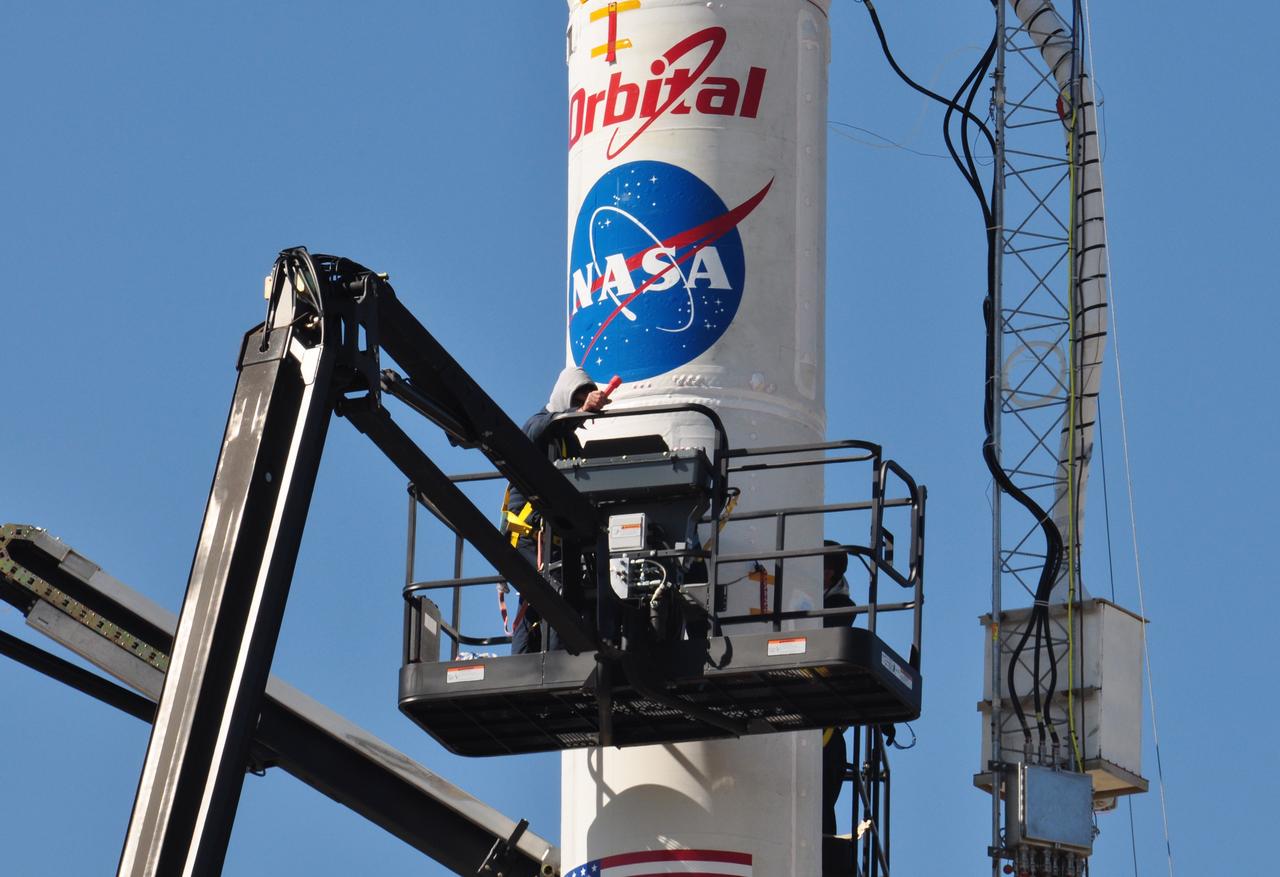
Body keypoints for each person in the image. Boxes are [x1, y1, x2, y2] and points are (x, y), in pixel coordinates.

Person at [502, 366, 611, 654]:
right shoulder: (540, 424)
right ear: (565, 398)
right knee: (551, 594)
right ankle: (549, 661)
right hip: (529, 535)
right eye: (576, 399)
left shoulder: (570, 441)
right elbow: (534, 432)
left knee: (552, 597)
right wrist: (578, 410)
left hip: (559, 537)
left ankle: (543, 660)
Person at [822, 540, 854, 839]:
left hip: (823, 742)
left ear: (828, 574)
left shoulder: (839, 609)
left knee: (819, 817)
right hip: (815, 739)